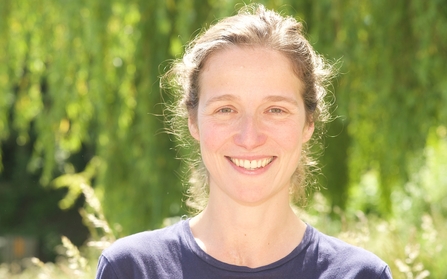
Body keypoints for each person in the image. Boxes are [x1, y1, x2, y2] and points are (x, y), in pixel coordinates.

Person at [95, 4, 392, 279]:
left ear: (308, 123)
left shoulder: (360, 274)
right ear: (193, 120)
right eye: (226, 109)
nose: (249, 138)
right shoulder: (131, 269)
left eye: (275, 110)